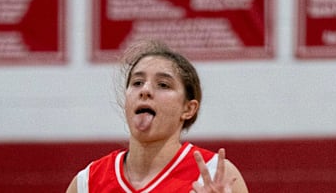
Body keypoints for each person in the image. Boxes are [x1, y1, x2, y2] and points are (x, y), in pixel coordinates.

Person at [66, 40, 249, 193]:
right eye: (137, 82)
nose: (145, 90)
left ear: (188, 109)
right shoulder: (87, 183)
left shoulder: (216, 174)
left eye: (163, 85)